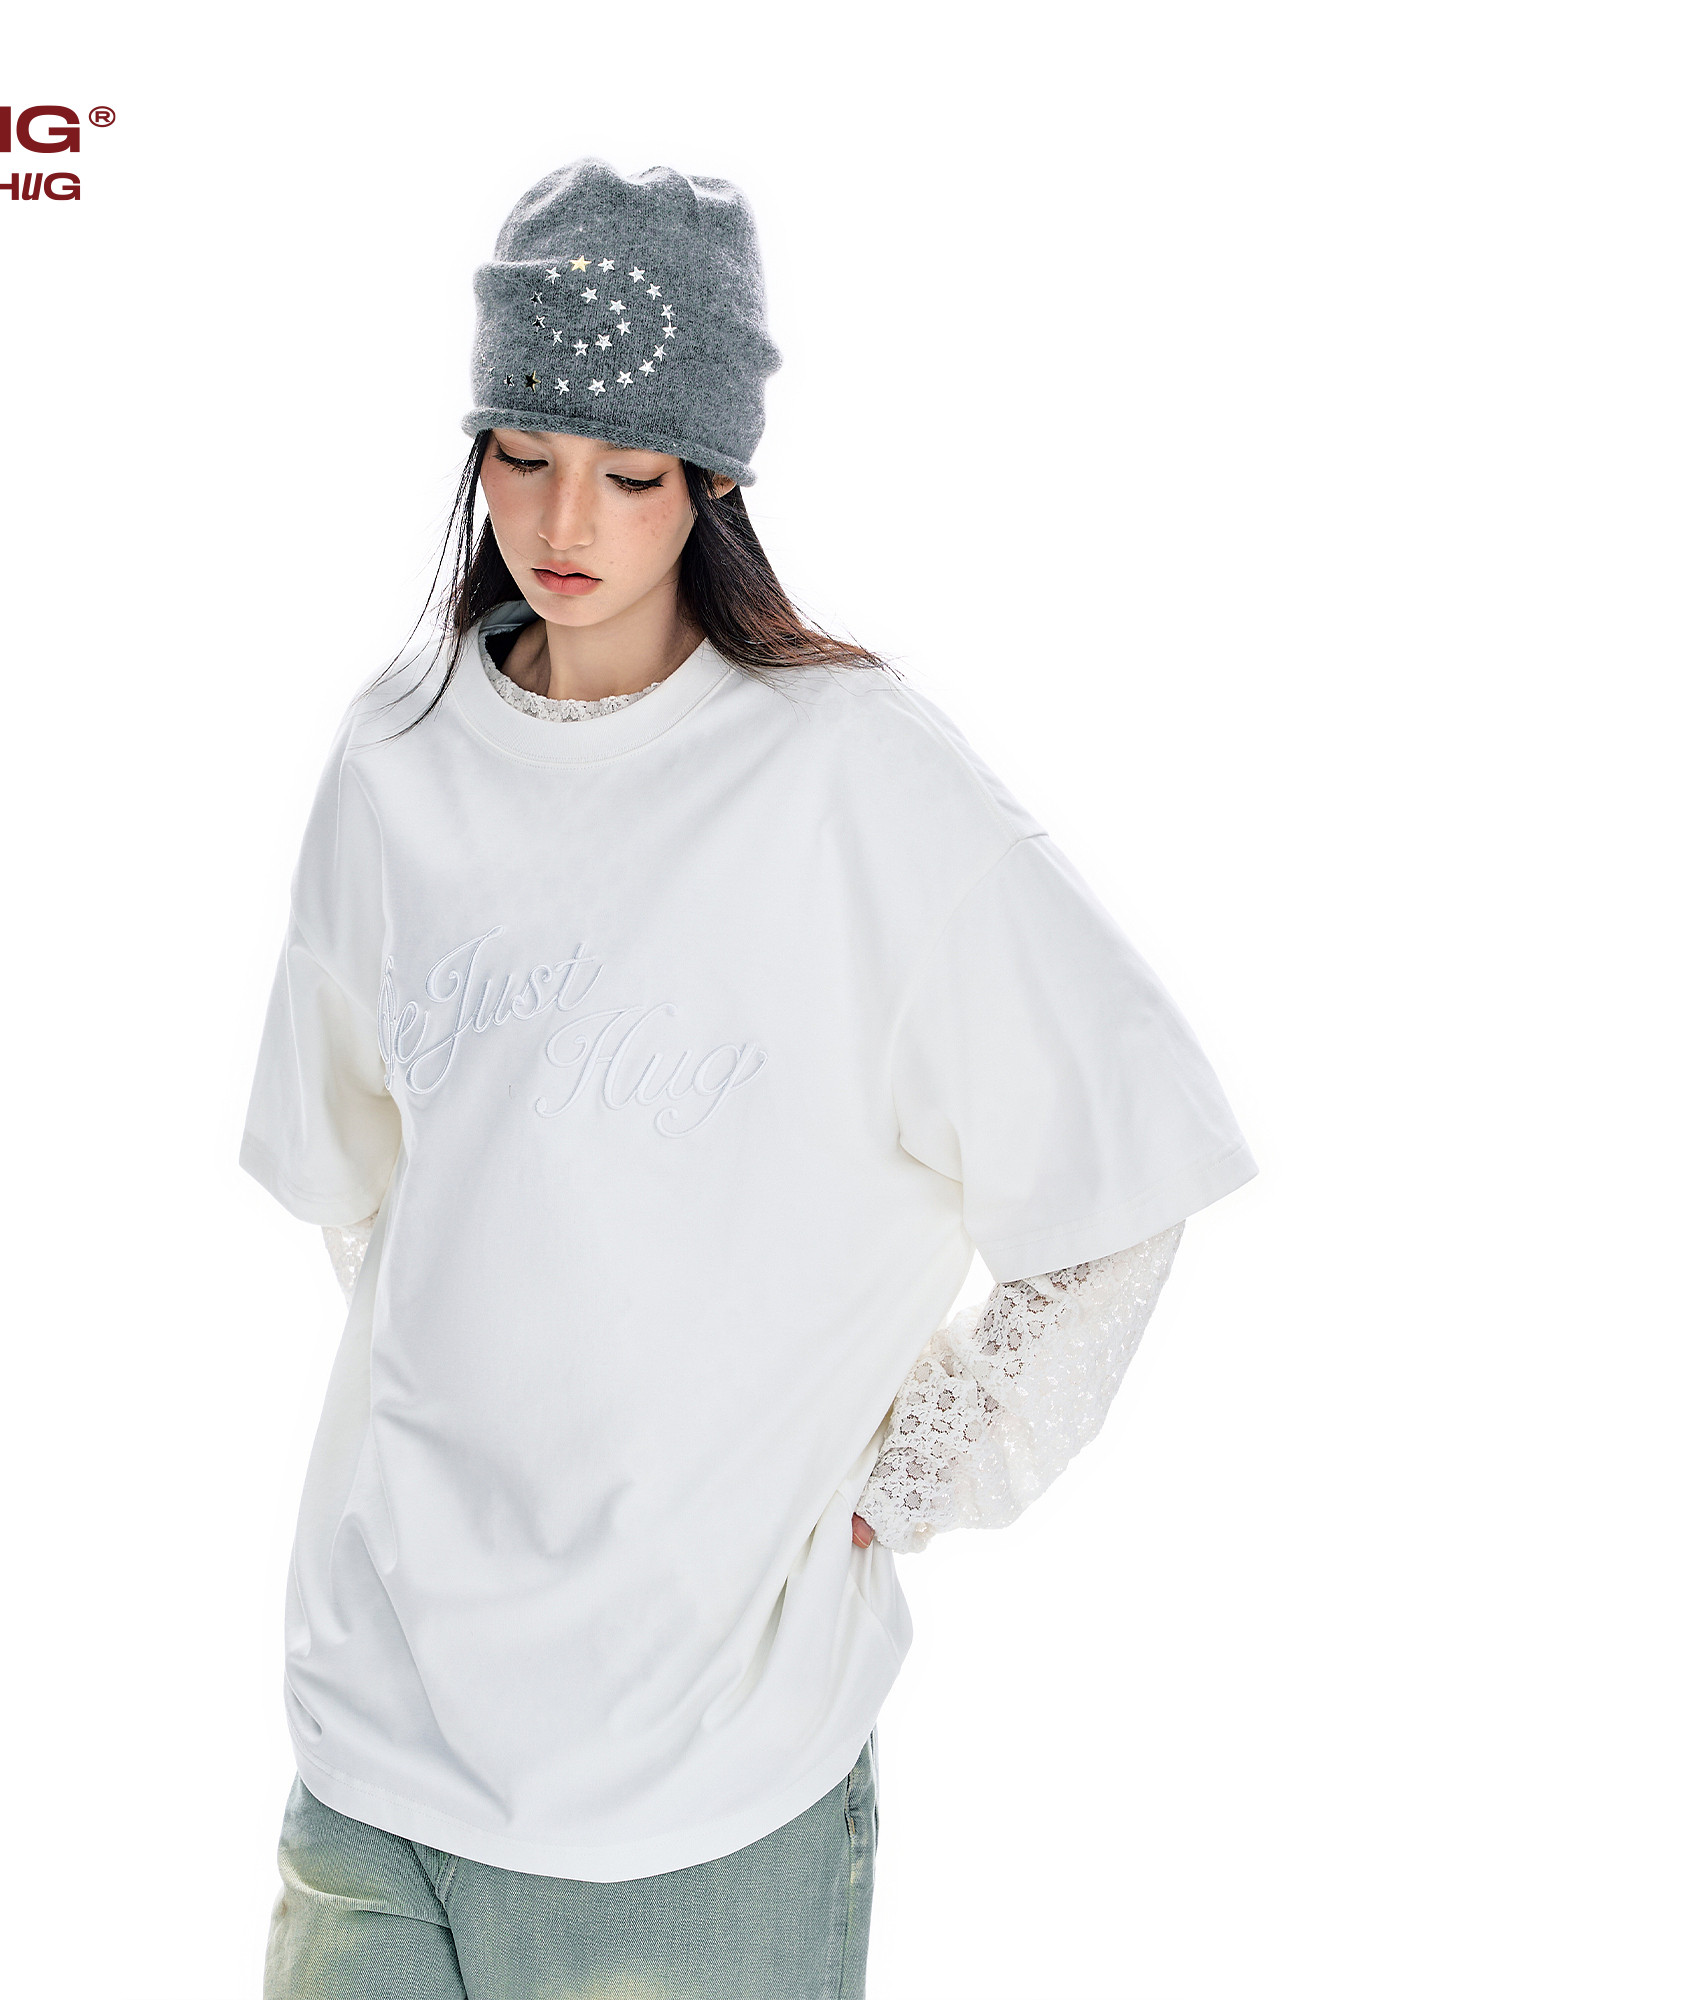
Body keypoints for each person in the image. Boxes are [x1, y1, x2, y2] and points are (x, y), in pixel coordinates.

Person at [240, 157, 1256, 2000]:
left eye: (632, 474)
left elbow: (1126, 1162)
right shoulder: (396, 754)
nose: (566, 518)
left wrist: (916, 1463)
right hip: (377, 1738)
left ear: (714, 481)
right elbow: (367, 1195)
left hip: (701, 1776)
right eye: (523, 452)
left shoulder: (849, 774)